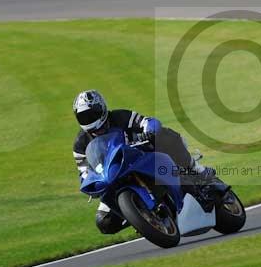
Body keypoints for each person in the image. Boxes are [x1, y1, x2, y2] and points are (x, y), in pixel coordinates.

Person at [72, 89, 216, 234]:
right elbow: (84, 171)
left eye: (93, 113)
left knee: (164, 136)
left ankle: (198, 170)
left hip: (141, 158)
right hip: (113, 177)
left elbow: (147, 122)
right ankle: (142, 216)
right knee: (104, 221)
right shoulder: (80, 143)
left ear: (102, 109)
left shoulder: (120, 116)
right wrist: (89, 183)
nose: (90, 119)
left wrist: (149, 130)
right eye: (84, 117)